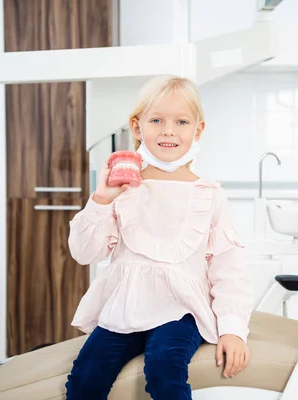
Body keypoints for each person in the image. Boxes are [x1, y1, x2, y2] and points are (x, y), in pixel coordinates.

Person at [65, 75, 253, 400]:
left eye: (181, 121)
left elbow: (229, 270)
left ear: (198, 130)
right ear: (137, 128)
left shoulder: (209, 195)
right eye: (157, 120)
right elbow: (84, 253)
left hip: (181, 311)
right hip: (124, 308)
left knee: (165, 368)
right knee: (84, 380)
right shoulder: (122, 190)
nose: (168, 130)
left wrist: (233, 331)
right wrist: (101, 200)